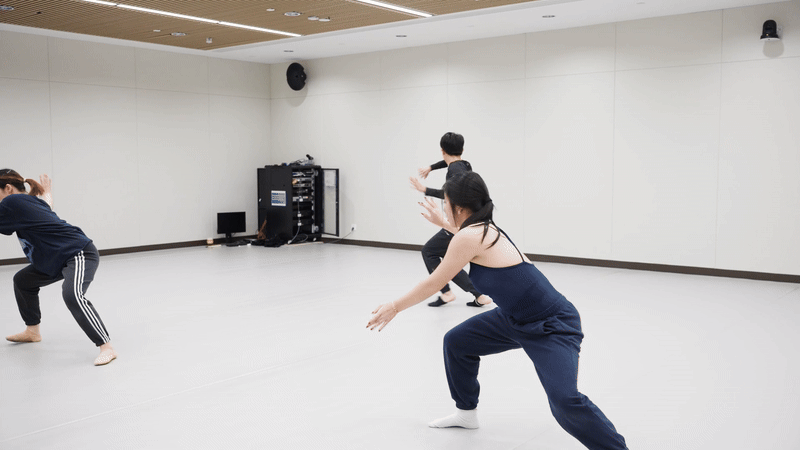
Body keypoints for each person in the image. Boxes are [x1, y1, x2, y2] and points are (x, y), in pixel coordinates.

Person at [369, 172, 628, 449]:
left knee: (565, 402)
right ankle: (466, 414)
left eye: (445, 203)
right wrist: (442, 223)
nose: (444, 208)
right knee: (457, 342)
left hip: (551, 324)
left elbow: (435, 281)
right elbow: (464, 240)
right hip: (513, 318)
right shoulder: (482, 229)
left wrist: (395, 306)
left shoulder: (471, 236)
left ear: (458, 207)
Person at [0, 169, 116, 366]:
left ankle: (106, 346)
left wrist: (46, 194)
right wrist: (47, 193)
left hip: (77, 253)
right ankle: (33, 331)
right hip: (55, 259)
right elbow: (48, 204)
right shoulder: (30, 201)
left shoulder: (12, 202)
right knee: (23, 281)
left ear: (8, 188)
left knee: (72, 294)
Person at [409, 132, 490, 308]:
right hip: (468, 220)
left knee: (429, 251)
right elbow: (449, 162)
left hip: (458, 222)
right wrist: (431, 167)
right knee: (447, 259)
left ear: (442, 150)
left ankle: (447, 293)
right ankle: (478, 294)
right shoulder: (464, 164)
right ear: (462, 149)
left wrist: (424, 189)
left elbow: (449, 194)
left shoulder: (455, 170)